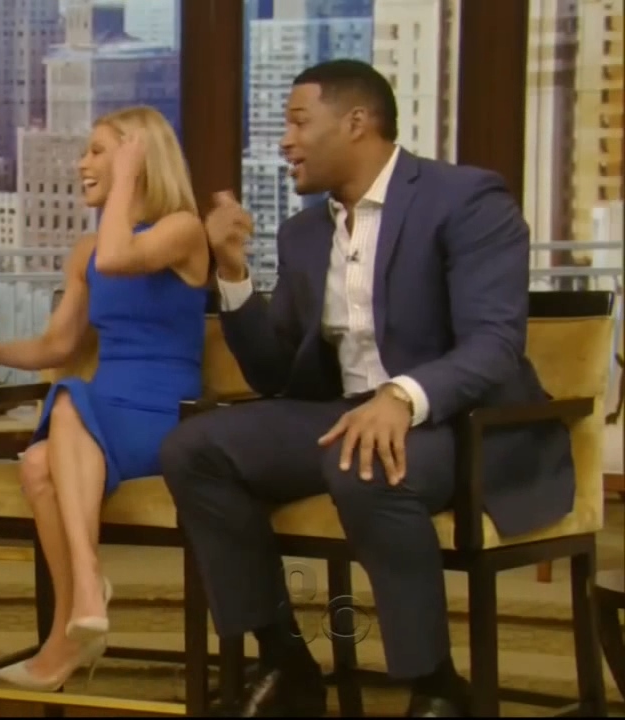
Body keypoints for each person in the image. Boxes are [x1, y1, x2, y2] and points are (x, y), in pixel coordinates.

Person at [159, 59, 573, 717]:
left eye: (299, 122)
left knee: (363, 463)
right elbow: (274, 375)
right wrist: (232, 273)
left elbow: (494, 344)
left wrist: (401, 397)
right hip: (345, 413)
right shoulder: (303, 234)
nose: (285, 141)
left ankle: (436, 685)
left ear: (356, 122)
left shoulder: (464, 200)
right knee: (193, 449)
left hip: (458, 421)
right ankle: (285, 660)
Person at [0, 105, 211, 691]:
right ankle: (71, 629)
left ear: (138, 158)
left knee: (66, 399)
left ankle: (88, 586)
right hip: (99, 412)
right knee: (38, 463)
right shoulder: (85, 252)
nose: (80, 163)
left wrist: (129, 177)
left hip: (166, 417)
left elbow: (119, 257)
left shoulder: (182, 230)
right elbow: (57, 345)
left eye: (97, 151)